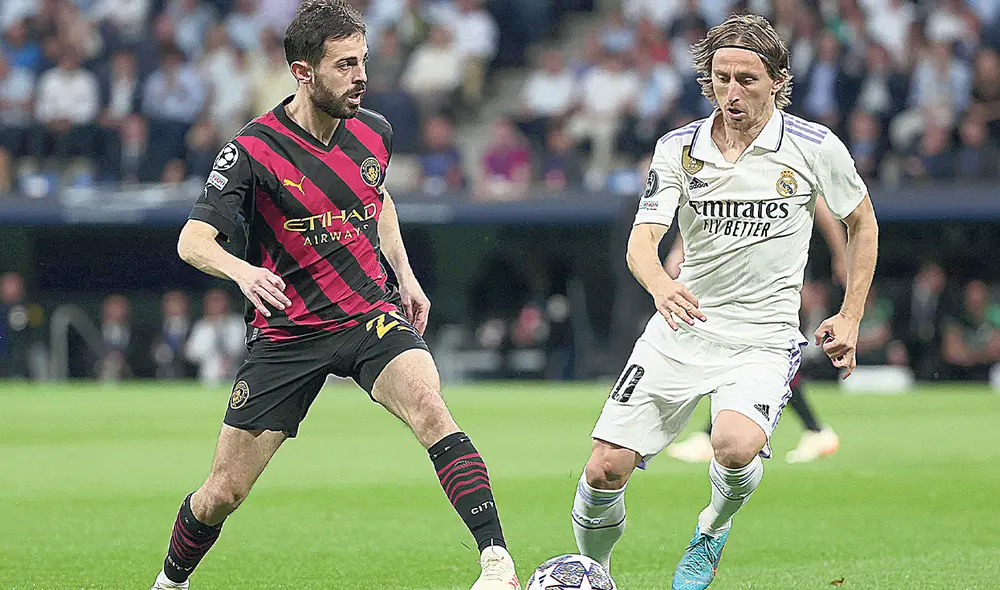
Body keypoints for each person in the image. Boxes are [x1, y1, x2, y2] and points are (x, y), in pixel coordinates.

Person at [149, 2, 519, 589]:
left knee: (430, 405)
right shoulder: (252, 149)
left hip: (368, 314)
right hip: (287, 332)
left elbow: (377, 197)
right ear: (303, 71)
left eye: (364, 61)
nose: (361, 76)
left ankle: (497, 562)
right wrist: (243, 273)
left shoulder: (375, 132)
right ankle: (170, 582)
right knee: (224, 492)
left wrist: (405, 274)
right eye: (345, 65)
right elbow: (192, 241)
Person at [570, 14, 879, 590]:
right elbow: (643, 239)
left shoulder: (814, 146)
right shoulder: (677, 148)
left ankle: (711, 529)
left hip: (762, 336)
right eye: (721, 78)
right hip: (682, 328)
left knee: (734, 448)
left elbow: (862, 221)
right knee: (603, 468)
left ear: (778, 81)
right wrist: (662, 287)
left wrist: (851, 313)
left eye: (747, 79)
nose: (731, 93)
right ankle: (594, 573)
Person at [665, 197, 847, 464]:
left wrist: (841, 259)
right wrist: (679, 249)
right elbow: (704, 201)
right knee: (744, 354)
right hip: (738, 276)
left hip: (775, 283)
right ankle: (814, 430)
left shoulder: (789, 164)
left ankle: (712, 435)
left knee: (756, 353)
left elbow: (823, 210)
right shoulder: (735, 169)